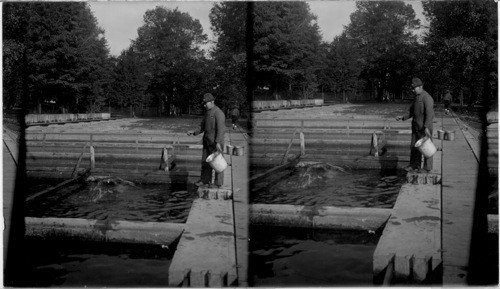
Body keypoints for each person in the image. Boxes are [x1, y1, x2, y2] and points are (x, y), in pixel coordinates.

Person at [396, 78, 435, 173]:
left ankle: (427, 168)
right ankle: (414, 165)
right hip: (416, 127)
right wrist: (402, 117)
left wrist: (426, 127)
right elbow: (411, 111)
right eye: (412, 88)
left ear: (420, 87)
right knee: (414, 147)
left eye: (414, 88)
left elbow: (430, 114)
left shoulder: (427, 98)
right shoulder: (416, 97)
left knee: (426, 149)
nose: (412, 90)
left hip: (424, 128)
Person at [187, 93, 226, 187]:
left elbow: (221, 129)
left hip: (216, 143)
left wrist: (217, 143)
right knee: (205, 162)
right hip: (207, 141)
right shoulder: (207, 113)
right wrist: (194, 132)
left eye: (206, 103)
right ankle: (205, 180)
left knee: (218, 164)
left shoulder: (219, 113)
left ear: (212, 102)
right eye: (204, 103)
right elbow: (202, 126)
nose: (204, 105)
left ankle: (218, 183)